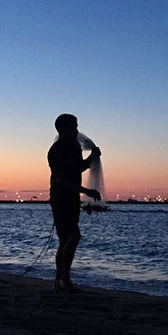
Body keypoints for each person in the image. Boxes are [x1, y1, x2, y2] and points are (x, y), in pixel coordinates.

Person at [47, 114, 101, 292]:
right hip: (60, 198)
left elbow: (78, 168)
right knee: (72, 236)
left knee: (65, 239)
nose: (77, 130)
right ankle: (64, 278)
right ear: (63, 129)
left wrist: (92, 157)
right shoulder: (55, 151)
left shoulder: (74, 148)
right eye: (74, 127)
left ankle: (59, 281)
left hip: (71, 199)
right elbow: (61, 179)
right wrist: (87, 191)